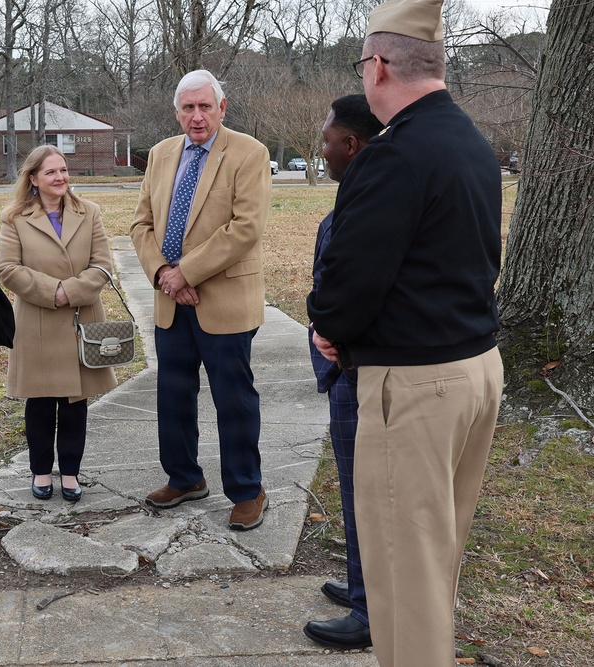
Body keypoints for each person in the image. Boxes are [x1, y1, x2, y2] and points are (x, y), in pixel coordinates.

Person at [306, 0, 504, 663]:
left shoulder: (394, 156)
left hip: (416, 387)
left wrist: (330, 327)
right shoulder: (472, 143)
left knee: (403, 576)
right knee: (432, 559)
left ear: (380, 65)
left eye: (363, 64)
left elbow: (348, 284)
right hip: (475, 369)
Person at [130, 69, 271, 530]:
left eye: (204, 106)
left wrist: (184, 272)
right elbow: (141, 224)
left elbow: (245, 228)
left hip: (225, 302)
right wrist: (164, 275)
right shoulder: (160, 154)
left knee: (234, 402)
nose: (196, 116)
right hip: (171, 303)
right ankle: (185, 477)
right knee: (173, 397)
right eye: (188, 108)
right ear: (176, 112)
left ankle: (248, 490)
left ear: (222, 108)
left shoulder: (249, 153)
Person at [302, 94, 383, 651]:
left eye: (327, 141)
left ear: (350, 145)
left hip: (360, 372)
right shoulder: (359, 194)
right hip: (344, 371)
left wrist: (332, 335)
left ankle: (371, 611)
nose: (322, 150)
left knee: (366, 494)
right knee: (355, 491)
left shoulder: (371, 204)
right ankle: (361, 586)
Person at [0, 145, 117, 502]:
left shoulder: (89, 212)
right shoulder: (15, 217)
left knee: (75, 402)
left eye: (64, 170)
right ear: (33, 179)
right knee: (41, 402)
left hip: (81, 319)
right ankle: (39, 471)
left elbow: (102, 264)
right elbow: (7, 269)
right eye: (51, 172)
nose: (61, 177)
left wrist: (72, 292)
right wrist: (54, 292)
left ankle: (70, 473)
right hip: (37, 320)